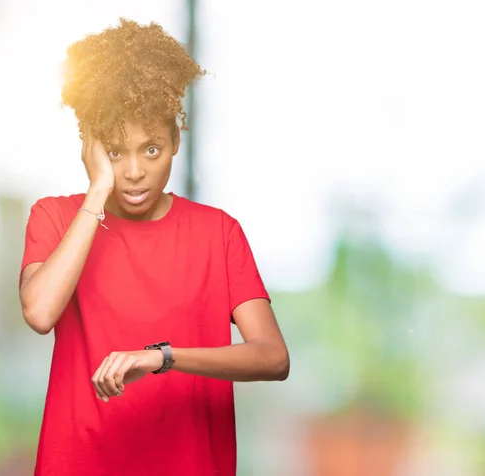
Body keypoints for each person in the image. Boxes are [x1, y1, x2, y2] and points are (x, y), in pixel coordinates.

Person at [19, 18, 289, 476]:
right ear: (92, 148)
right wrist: (97, 192)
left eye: (151, 150)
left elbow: (272, 356)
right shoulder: (57, 218)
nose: (135, 172)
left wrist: (163, 357)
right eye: (115, 151)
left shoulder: (217, 233)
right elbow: (40, 312)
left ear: (176, 141)